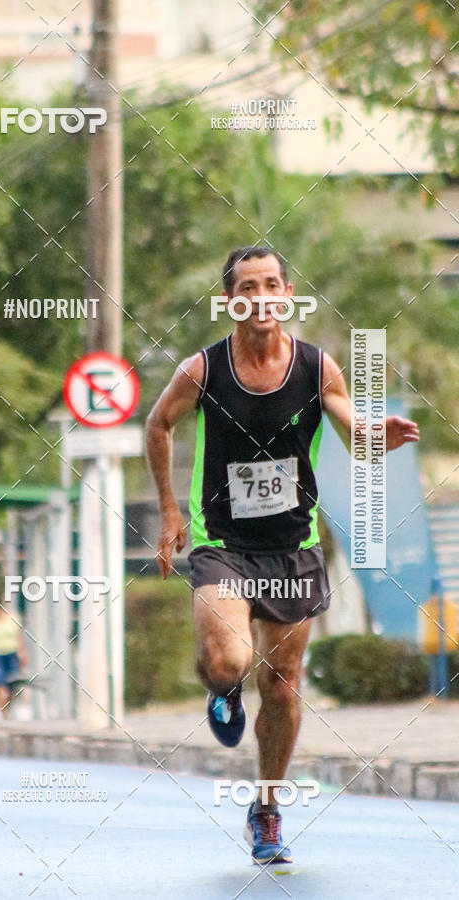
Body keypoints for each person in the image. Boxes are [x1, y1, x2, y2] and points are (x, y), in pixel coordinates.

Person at [145, 245, 419, 865]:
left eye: (272, 284)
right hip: (223, 543)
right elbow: (158, 424)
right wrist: (168, 510)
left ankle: (266, 809)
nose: (261, 296)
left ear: (287, 294)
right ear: (231, 301)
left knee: (282, 684)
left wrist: (378, 436)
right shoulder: (203, 370)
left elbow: (353, 431)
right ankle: (222, 688)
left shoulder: (317, 368)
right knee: (228, 660)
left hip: (293, 547)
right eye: (248, 287)